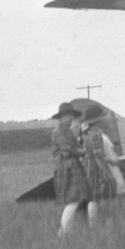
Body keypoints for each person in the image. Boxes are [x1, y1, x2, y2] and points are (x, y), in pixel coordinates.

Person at [77, 105, 122, 226]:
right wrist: (106, 173)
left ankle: (93, 224)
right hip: (96, 168)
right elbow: (98, 155)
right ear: (98, 121)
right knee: (105, 196)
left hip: (88, 167)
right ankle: (104, 222)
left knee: (93, 198)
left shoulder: (86, 135)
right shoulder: (96, 135)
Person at [51, 102, 90, 237]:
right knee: (73, 200)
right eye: (67, 116)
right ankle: (62, 233)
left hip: (72, 166)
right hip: (66, 167)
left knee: (75, 199)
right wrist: (83, 152)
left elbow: (75, 146)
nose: (70, 118)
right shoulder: (60, 131)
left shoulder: (67, 130)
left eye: (71, 116)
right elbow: (67, 150)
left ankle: (66, 232)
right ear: (61, 117)